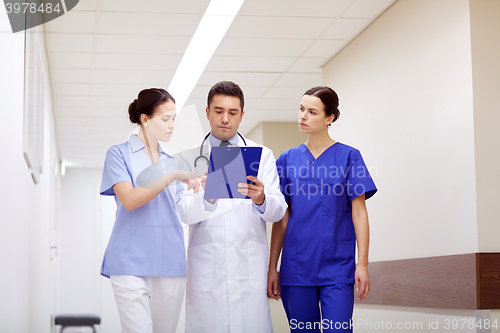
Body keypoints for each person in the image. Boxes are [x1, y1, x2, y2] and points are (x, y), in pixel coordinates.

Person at [177, 81, 288, 333]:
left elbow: (279, 209)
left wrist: (261, 199)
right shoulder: (187, 158)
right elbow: (183, 213)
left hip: (247, 270)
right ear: (207, 113)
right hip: (207, 272)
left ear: (242, 116)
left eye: (232, 112)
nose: (225, 119)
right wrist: (209, 195)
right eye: (218, 111)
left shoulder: (262, 155)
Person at [267, 86, 377, 332]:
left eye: (312, 112)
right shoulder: (287, 160)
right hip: (297, 267)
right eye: (301, 109)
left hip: (338, 267)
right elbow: (281, 219)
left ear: (330, 118)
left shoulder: (350, 157)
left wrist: (363, 263)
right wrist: (272, 267)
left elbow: (359, 213)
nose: (303, 116)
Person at [100, 88, 200, 333]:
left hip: (169, 260)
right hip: (129, 260)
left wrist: (205, 192)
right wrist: (173, 175)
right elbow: (130, 200)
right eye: (165, 119)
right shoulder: (119, 154)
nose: (172, 125)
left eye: (174, 118)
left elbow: (183, 209)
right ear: (145, 119)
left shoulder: (174, 160)